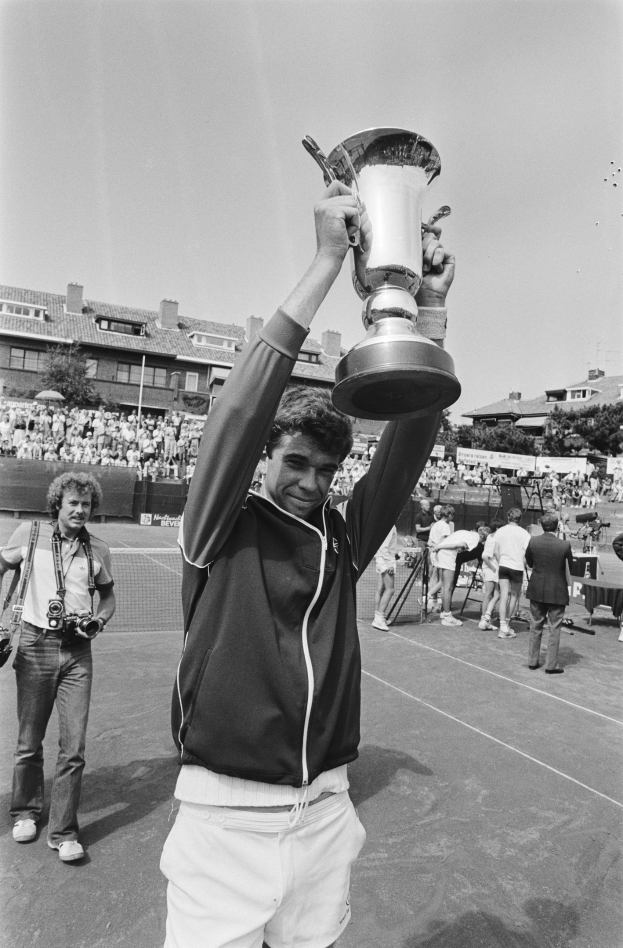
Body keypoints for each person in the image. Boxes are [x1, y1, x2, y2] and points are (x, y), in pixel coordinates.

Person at [160, 180, 455, 948]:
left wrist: (428, 315)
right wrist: (327, 261)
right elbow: (237, 413)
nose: (310, 483)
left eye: (325, 470)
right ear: (263, 460)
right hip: (224, 817)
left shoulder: (341, 534)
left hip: (325, 808)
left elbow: (404, 452)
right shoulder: (219, 524)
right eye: (295, 463)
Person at [0, 472, 116, 862]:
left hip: (78, 653)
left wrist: (98, 621)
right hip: (35, 647)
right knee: (29, 741)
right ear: (58, 505)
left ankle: (64, 832)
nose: (80, 510)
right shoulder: (30, 535)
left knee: (74, 747)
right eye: (73, 503)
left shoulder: (97, 549)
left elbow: (108, 599)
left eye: (86, 504)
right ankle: (25, 812)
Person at [525, 512, 574, 673]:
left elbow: (530, 563)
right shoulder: (564, 545)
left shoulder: (534, 541)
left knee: (536, 625)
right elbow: (570, 567)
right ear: (557, 525)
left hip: (537, 588)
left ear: (541, 524)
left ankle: (532, 661)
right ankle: (550, 665)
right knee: (554, 628)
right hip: (557, 590)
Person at [431, 526, 487, 627]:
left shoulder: (466, 532)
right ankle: (447, 616)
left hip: (442, 554)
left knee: (444, 585)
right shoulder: (475, 539)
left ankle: (444, 614)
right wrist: (439, 547)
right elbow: (459, 544)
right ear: (484, 538)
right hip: (447, 555)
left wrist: (439, 547)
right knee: (448, 587)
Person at [494, 507, 530, 639]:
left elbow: (496, 552)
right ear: (519, 519)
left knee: (504, 595)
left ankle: (503, 626)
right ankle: (506, 626)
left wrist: (501, 562)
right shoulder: (524, 533)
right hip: (516, 567)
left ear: (509, 517)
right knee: (514, 596)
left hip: (503, 565)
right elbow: (527, 554)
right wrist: (522, 564)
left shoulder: (501, 531)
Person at [426, 505, 454, 611]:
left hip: (434, 554)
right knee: (444, 580)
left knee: (435, 577)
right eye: (452, 515)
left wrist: (434, 548)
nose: (453, 517)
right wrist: (437, 548)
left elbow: (429, 542)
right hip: (441, 554)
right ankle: (428, 597)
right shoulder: (446, 526)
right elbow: (443, 541)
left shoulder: (435, 525)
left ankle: (434, 603)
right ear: (449, 514)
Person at [373, 525, 399, 631]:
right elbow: (384, 547)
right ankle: (379, 619)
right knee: (390, 590)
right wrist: (389, 565)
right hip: (385, 561)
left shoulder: (385, 524)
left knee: (381, 589)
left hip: (381, 560)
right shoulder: (389, 526)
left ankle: (378, 618)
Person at [479, 519, 504, 630]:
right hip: (491, 569)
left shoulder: (491, 537)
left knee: (496, 595)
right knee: (490, 594)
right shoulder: (493, 539)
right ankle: (484, 619)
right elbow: (484, 556)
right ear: (498, 529)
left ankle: (486, 618)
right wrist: (493, 567)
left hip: (492, 569)